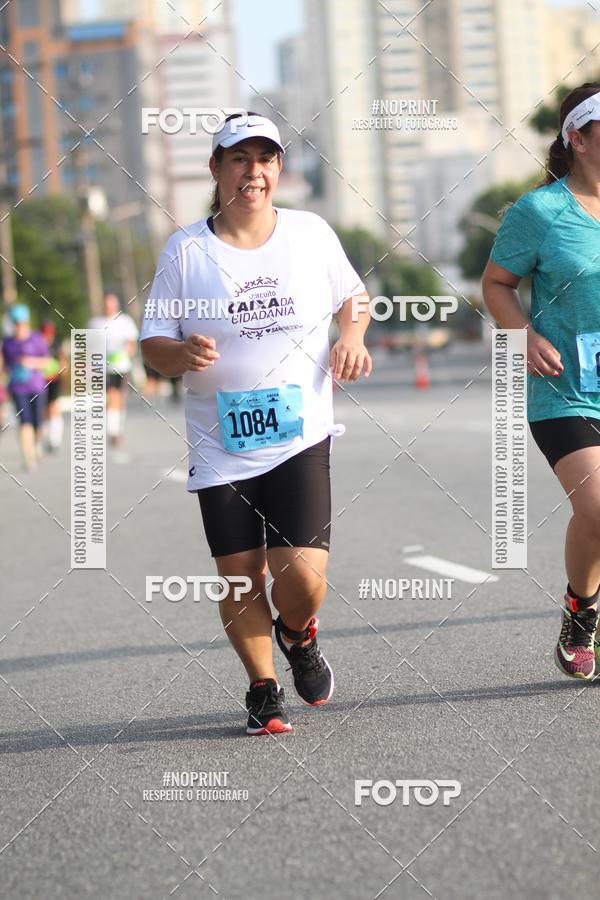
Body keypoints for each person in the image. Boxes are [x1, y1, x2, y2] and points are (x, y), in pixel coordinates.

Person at [141, 111, 372, 735]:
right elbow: (152, 346)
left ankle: (297, 632)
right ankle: (262, 687)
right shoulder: (186, 250)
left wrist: (350, 335)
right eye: (239, 159)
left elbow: (354, 297)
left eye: (265, 159)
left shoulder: (310, 233)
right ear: (215, 169)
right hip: (221, 443)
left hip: (300, 433)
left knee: (302, 577)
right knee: (239, 573)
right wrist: (180, 355)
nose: (254, 172)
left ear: (279, 170)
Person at [482, 82, 600, 680]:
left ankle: (581, 607)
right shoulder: (541, 212)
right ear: (577, 139)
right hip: (565, 391)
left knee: (596, 519)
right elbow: (496, 284)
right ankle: (584, 616)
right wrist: (522, 335)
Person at [1, 303, 50, 470]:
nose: (19, 326)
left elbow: (47, 361)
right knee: (25, 422)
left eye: (21, 322)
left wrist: (31, 363)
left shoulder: (37, 338)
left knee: (37, 423)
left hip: (36, 387)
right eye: (16, 322)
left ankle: (37, 445)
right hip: (17, 387)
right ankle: (28, 457)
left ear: (27, 321)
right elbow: (4, 365)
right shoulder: (7, 342)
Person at [89, 292, 138, 447]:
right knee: (111, 396)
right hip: (103, 366)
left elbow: (132, 341)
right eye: (107, 304)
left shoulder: (124, 321)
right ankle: (113, 431)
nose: (109, 307)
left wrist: (129, 352)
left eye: (112, 304)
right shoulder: (95, 322)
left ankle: (117, 427)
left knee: (119, 398)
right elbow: (90, 345)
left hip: (122, 365)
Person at [39, 320, 66, 452]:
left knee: (54, 407)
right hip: (41, 381)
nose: (47, 337)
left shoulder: (56, 344)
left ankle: (55, 440)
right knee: (44, 410)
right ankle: (44, 439)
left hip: (54, 380)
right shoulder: (38, 346)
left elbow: (63, 362)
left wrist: (60, 369)